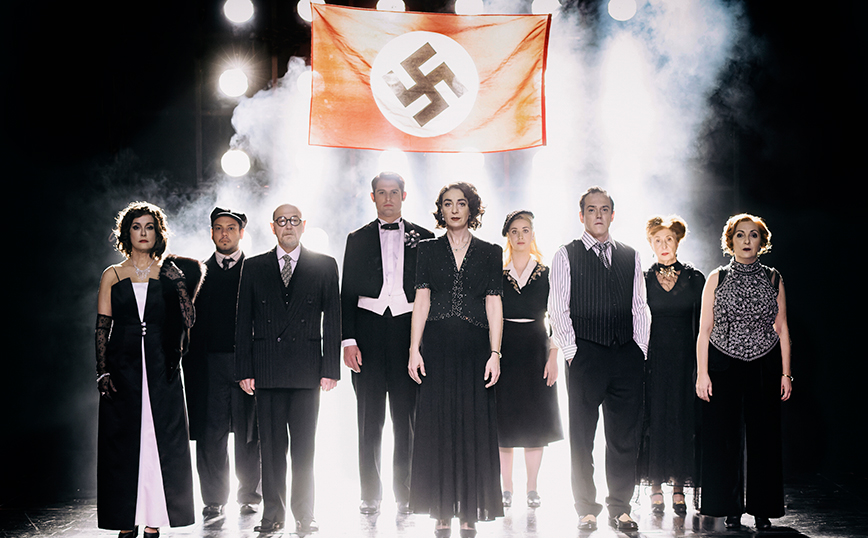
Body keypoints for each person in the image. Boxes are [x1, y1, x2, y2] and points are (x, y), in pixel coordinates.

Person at [95, 201, 201, 537]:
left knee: (160, 442)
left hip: (161, 365)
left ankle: (154, 521)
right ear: (126, 233)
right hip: (123, 366)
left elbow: (189, 320)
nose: (143, 233)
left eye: (149, 227)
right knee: (123, 444)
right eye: (136, 226)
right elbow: (102, 327)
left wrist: (179, 284)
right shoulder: (112, 274)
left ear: (158, 233)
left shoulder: (169, 272)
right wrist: (102, 370)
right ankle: (126, 522)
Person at [549, 186, 651, 532]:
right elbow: (558, 308)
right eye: (591, 209)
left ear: (612, 214)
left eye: (604, 209)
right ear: (582, 216)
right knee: (582, 437)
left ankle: (620, 508)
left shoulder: (630, 255)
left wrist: (640, 349)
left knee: (624, 437)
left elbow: (640, 306)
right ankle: (585, 508)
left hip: (626, 355)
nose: (598, 215)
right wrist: (572, 353)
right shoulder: (566, 255)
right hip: (586, 355)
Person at [235, 203, 341, 535]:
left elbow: (333, 319)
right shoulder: (254, 267)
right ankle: (272, 516)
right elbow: (243, 321)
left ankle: (305, 514)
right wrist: (244, 369)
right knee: (271, 449)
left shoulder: (324, 265)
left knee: (305, 449)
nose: (288, 226)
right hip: (266, 369)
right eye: (282, 221)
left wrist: (331, 368)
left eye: (294, 220)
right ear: (273, 227)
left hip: (307, 370)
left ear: (303, 225)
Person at [408, 182, 504, 538]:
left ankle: (469, 511)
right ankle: (441, 511)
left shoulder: (490, 252)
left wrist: (495, 353)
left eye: (461, 203)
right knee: (438, 427)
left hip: (476, 349)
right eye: (447, 203)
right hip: (437, 348)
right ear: (441, 210)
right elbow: (421, 301)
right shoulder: (428, 249)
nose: (454, 209)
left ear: (471, 209)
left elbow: (494, 304)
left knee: (473, 427)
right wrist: (414, 349)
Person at [341, 172, 434, 515]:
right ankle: (370, 493)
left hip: (408, 334)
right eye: (382, 192)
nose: (388, 198)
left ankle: (405, 492)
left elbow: (431, 295)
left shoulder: (425, 237)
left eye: (394, 192)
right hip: (367, 333)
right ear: (373, 197)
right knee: (369, 419)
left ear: (404, 196)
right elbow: (347, 292)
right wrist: (348, 340)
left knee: (407, 418)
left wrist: (423, 344)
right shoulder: (357, 238)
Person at [695, 214, 792, 531]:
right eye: (740, 234)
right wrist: (702, 373)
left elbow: (782, 328)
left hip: (764, 365)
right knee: (725, 439)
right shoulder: (717, 277)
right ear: (730, 241)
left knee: (764, 438)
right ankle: (729, 508)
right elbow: (704, 330)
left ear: (762, 242)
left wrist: (786, 373)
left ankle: (763, 508)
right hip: (723, 365)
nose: (746, 240)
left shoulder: (773, 278)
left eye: (753, 235)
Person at [183, 207, 261, 521]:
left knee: (250, 433)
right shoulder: (198, 273)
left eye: (231, 228)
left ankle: (250, 497)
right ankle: (214, 499)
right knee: (210, 434)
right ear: (212, 232)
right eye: (218, 228)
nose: (224, 233)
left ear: (241, 232)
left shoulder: (255, 270)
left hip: (246, 363)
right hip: (209, 364)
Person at [637, 215, 705, 516]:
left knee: (681, 419)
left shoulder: (695, 278)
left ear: (678, 242)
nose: (663, 245)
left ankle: (678, 488)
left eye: (669, 239)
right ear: (650, 243)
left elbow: (704, 324)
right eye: (657, 240)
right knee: (653, 419)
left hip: (685, 360)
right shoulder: (642, 279)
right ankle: (655, 487)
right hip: (652, 360)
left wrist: (701, 366)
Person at [495, 210, 563, 509]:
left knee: (536, 421)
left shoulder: (546, 273)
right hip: (505, 348)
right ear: (508, 236)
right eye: (514, 231)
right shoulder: (498, 274)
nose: (520, 236)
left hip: (537, 349)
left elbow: (557, 316)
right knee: (504, 422)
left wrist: (553, 356)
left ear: (533, 234)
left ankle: (532, 488)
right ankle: (506, 488)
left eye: (525, 230)